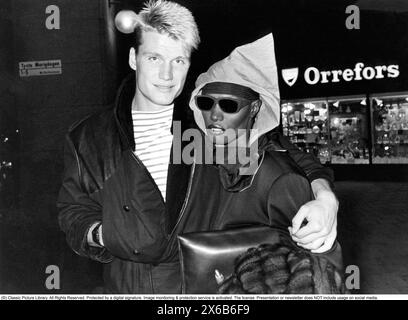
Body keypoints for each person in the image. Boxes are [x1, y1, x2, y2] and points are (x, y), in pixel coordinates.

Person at [57, 0, 337, 294]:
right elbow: (72, 209)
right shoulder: (88, 137)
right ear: (133, 58)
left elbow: (279, 150)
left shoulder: (203, 124)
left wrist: (325, 198)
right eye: (154, 58)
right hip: (127, 285)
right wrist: (103, 234)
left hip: (202, 288)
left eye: (178, 61)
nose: (167, 76)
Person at [180, 33, 344, 293]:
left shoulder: (275, 170)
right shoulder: (191, 150)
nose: (214, 114)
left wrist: (325, 198)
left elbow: (318, 270)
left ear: (255, 109)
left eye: (229, 104)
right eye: (205, 102)